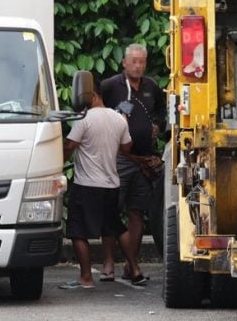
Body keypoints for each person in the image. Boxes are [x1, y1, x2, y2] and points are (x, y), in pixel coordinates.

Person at [99, 43, 166, 286]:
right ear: (124, 62)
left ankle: (131, 263)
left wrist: (157, 124)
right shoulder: (110, 86)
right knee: (111, 210)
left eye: (142, 61)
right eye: (133, 61)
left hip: (144, 160)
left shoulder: (151, 86)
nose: (138, 65)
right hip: (119, 158)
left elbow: (160, 109)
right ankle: (108, 263)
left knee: (137, 212)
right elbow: (95, 110)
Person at [59, 75, 133, 290]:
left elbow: (70, 145)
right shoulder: (119, 118)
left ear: (92, 95)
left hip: (87, 185)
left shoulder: (85, 119)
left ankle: (85, 277)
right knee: (115, 227)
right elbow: (127, 147)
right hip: (111, 184)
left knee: (78, 231)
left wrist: (57, 162)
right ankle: (135, 268)